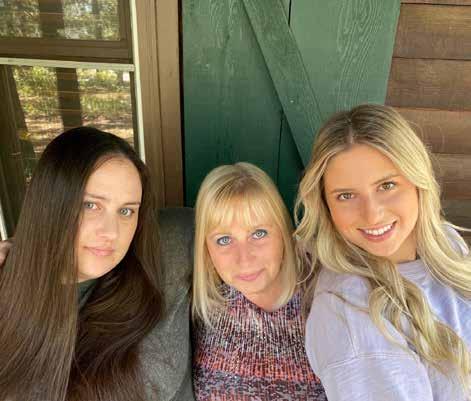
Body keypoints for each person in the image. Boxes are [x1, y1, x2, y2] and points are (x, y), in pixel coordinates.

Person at [0, 127, 194, 401]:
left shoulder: (169, 248)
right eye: (91, 205)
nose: (111, 232)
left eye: (126, 211)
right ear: (50, 204)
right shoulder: (10, 301)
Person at [295, 104, 471, 401]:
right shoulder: (349, 313)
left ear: (417, 181)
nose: (372, 214)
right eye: (346, 196)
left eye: (387, 185)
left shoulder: (446, 242)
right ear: (325, 205)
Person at [192, 162, 327, 400]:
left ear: (284, 232)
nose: (244, 259)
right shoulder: (198, 302)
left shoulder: (326, 292)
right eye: (224, 240)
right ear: (206, 249)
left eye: (259, 233)